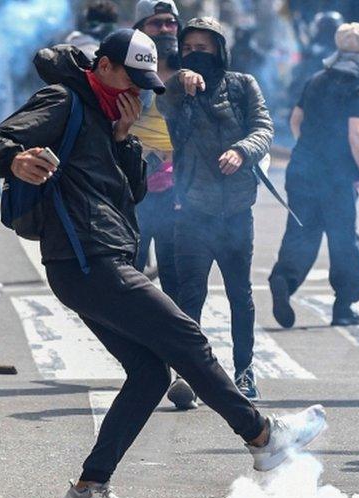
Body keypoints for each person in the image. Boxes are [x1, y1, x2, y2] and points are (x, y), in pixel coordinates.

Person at [0, 28, 321, 498]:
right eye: (131, 79)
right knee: (185, 336)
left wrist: (123, 139)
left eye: (144, 82)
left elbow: (133, 192)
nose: (138, 91)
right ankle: (263, 437)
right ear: (105, 66)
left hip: (101, 256)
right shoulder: (62, 99)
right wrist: (15, 158)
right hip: (86, 258)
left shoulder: (116, 112)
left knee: (149, 374)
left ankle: (89, 489)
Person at [157, 17, 274, 401]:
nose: (194, 55)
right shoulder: (176, 89)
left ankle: (244, 371)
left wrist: (242, 151)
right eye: (188, 48)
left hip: (237, 211)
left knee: (241, 295)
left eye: (203, 49)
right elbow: (164, 101)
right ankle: (187, 374)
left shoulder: (243, 85)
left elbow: (264, 128)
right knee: (190, 298)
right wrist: (179, 81)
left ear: (219, 51)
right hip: (192, 210)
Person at [268, 22, 359, 329]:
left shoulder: (317, 78)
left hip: (303, 168)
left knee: (301, 233)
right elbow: (356, 134)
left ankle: (283, 279)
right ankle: (344, 306)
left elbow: (296, 120)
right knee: (343, 239)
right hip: (336, 177)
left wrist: (310, 148)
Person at [130, 0, 198, 410]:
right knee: (130, 283)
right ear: (142, 27)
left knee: (178, 282)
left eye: (172, 21)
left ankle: (185, 370)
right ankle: (144, 362)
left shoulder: (191, 70)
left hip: (177, 192)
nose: (167, 27)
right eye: (158, 22)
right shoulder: (125, 70)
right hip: (135, 192)